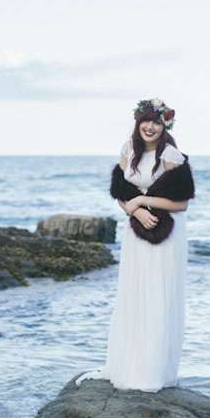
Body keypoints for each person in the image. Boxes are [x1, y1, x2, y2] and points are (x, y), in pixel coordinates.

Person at [76, 98, 190, 392]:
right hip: (137, 230)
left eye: (156, 121)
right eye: (145, 121)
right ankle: (127, 365)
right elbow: (121, 192)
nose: (150, 127)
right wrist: (135, 209)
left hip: (166, 233)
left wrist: (143, 200)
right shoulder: (129, 150)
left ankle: (152, 371)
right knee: (134, 292)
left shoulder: (171, 155)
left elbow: (181, 202)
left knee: (158, 294)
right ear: (138, 123)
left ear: (164, 125)